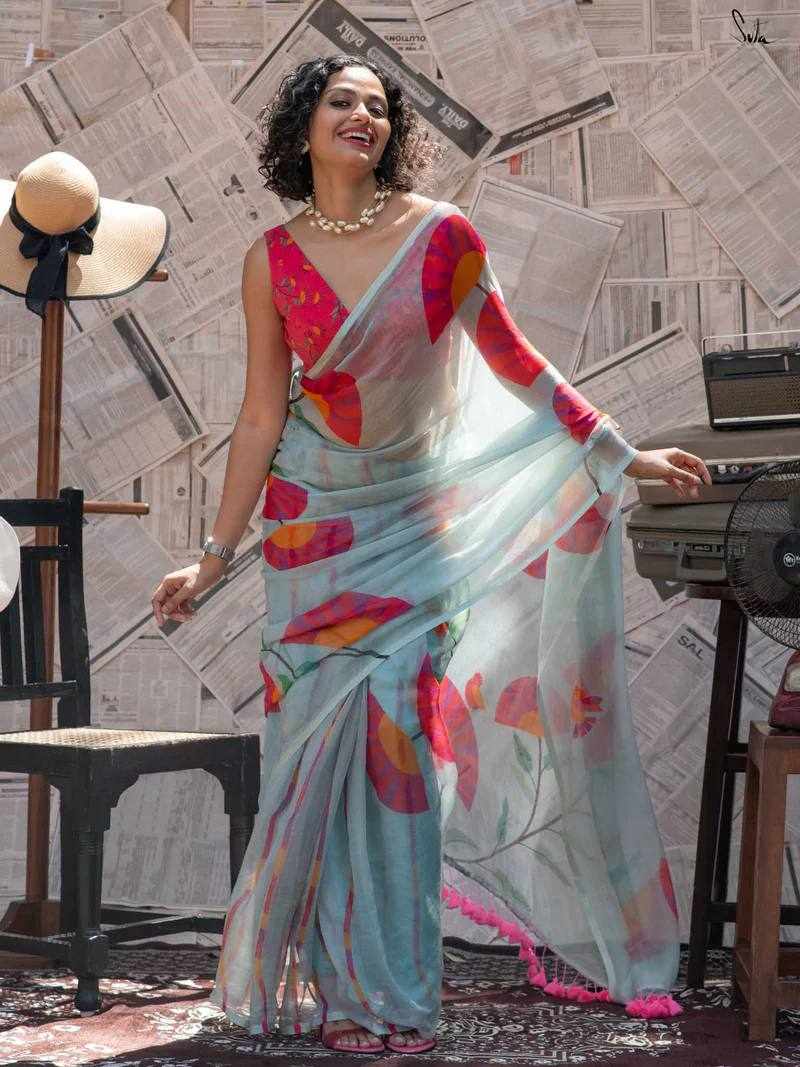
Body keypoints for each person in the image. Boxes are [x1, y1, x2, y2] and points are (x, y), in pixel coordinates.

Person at [151, 55, 711, 1055]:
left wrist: (621, 455)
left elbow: (516, 360)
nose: (361, 115)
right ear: (302, 127)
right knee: (315, 768)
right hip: (309, 540)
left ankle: (400, 998)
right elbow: (260, 415)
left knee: (395, 762)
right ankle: (341, 998)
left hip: (411, 531)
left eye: (377, 105)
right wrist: (213, 557)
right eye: (340, 101)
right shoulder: (270, 259)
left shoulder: (441, 236)